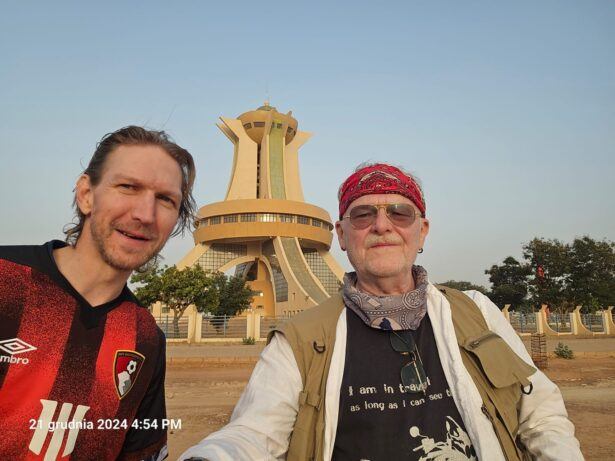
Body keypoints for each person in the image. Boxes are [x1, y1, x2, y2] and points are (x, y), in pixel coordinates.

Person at [179, 162, 583, 461]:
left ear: (421, 231)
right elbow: (253, 433)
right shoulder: (301, 340)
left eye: (399, 212)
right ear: (341, 235)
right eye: (363, 214)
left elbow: (541, 414)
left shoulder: (474, 312)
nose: (382, 225)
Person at [0, 126, 196, 461]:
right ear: (86, 194)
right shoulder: (8, 280)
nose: (144, 215)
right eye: (128, 187)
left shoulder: (145, 338)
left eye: (165, 200)